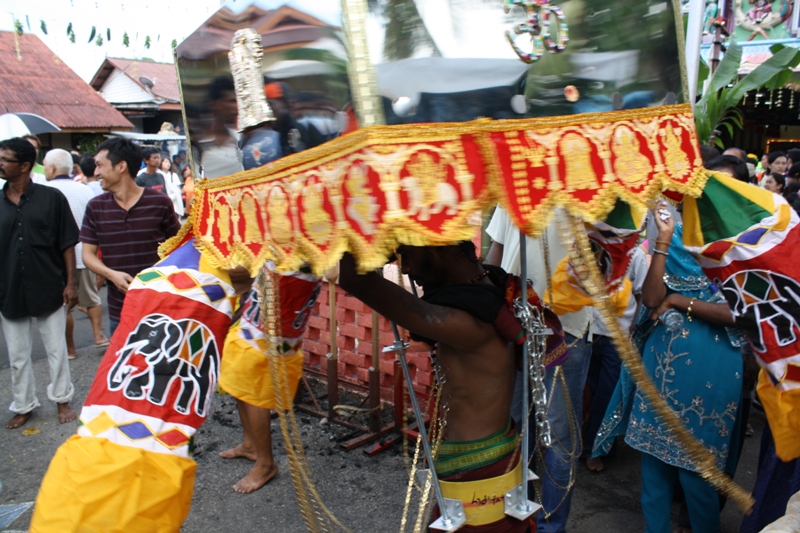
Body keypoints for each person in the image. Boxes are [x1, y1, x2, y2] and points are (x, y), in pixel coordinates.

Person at [340, 243, 535, 532]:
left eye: (406, 252)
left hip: (476, 470)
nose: (404, 267)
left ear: (443, 246)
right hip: (485, 457)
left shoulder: (469, 322)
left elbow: (353, 278)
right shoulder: (490, 289)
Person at [592, 199, 743, 533]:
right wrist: (662, 239)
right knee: (654, 463)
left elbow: (742, 314)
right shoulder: (671, 238)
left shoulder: (738, 246)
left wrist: (679, 301)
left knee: (697, 469)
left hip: (713, 360)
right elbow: (650, 298)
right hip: (664, 356)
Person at [486, 206, 592, 533]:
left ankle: (550, 526)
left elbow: (606, 263)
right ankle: (516, 518)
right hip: (510, 326)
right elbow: (497, 252)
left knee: (558, 438)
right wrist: (482, 302)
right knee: (512, 428)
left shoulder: (587, 196)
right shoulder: (512, 186)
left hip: (567, 329)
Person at [219, 265, 323, 493]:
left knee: (257, 381)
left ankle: (265, 463)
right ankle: (250, 445)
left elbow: (332, 270)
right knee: (241, 368)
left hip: (285, 297)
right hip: (266, 289)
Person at [0, 137, 79, 429]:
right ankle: (23, 404)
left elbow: (68, 243)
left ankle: (62, 400)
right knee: (18, 355)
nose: (0, 164)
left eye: (5, 159)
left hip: (49, 285)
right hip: (9, 290)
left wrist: (71, 283)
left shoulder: (52, 198)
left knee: (56, 349)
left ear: (23, 166)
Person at [80, 137, 181, 336]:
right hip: (120, 312)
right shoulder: (95, 207)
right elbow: (87, 254)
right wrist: (111, 275)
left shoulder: (159, 202)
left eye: (100, 165)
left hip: (160, 308)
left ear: (121, 166)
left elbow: (178, 247)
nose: (96, 172)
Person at [583, 244, 647, 472]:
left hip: (616, 337)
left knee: (607, 395)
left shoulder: (636, 254)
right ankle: (587, 443)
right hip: (587, 331)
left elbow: (642, 296)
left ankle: (595, 448)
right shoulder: (588, 244)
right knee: (586, 392)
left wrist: (632, 332)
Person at [42, 149, 109, 356]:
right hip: (85, 254)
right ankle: (98, 335)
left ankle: (70, 349)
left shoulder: (44, 190)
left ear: (52, 168)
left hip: (58, 258)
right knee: (93, 298)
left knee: (64, 306)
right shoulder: (84, 189)